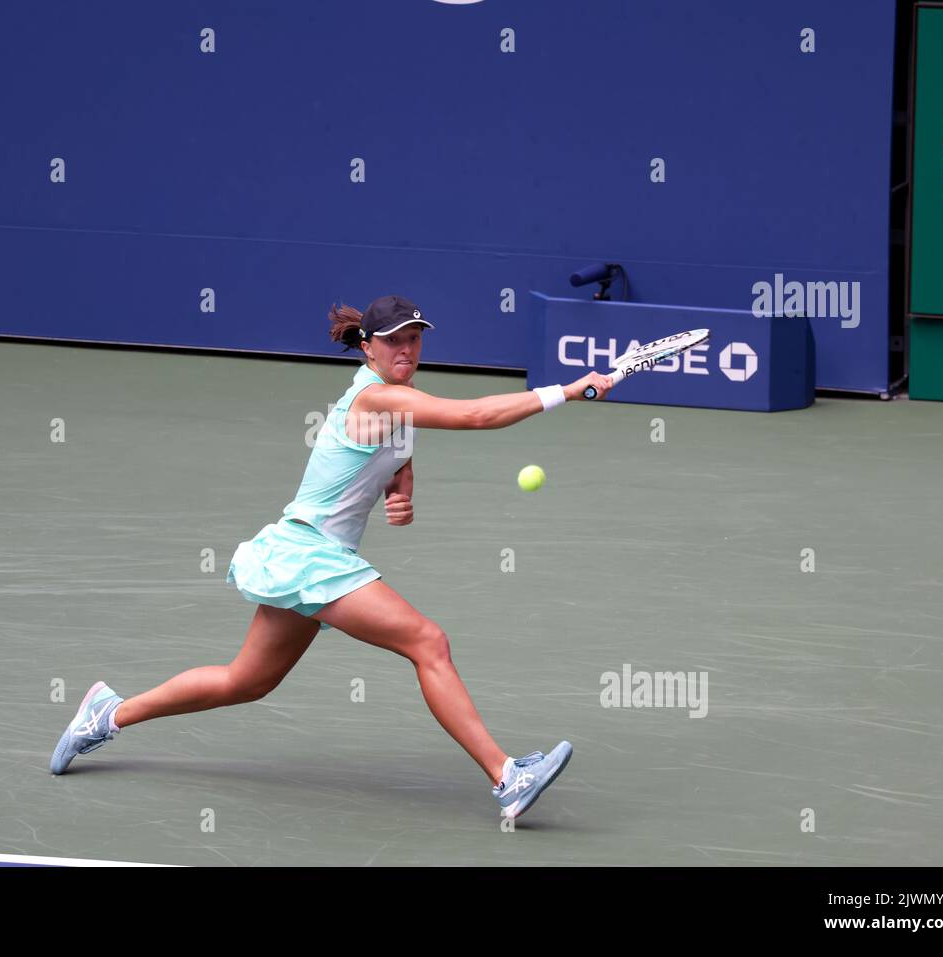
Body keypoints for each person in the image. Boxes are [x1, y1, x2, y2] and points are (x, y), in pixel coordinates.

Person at [50, 295, 615, 820]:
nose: (407, 349)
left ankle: (109, 714)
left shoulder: (393, 404)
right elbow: (475, 417)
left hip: (308, 557)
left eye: (415, 338)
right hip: (313, 556)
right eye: (395, 340)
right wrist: (564, 391)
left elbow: (394, 466)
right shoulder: (376, 397)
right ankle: (505, 777)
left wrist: (402, 496)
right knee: (428, 642)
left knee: (244, 682)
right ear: (368, 346)